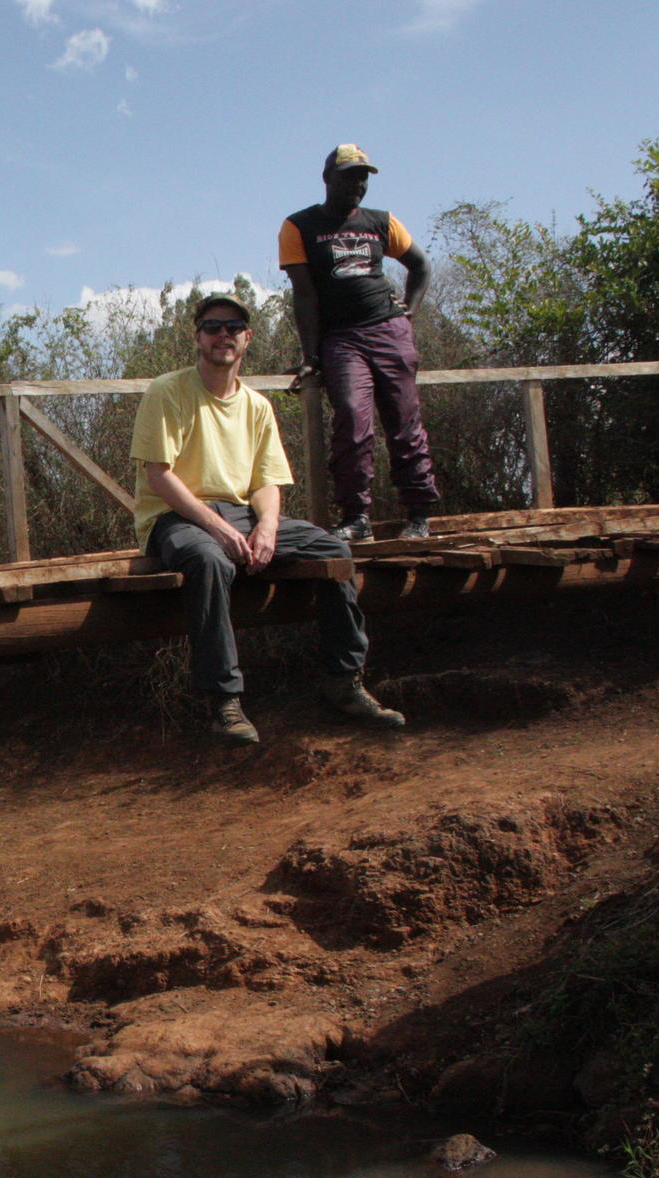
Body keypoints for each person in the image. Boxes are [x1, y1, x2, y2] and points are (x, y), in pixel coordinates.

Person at [131, 292, 404, 744]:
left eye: (234, 327)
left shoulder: (257, 405)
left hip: (242, 512)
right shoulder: (169, 390)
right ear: (197, 336)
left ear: (247, 338)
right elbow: (159, 476)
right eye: (213, 326)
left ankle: (343, 680)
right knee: (210, 561)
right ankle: (224, 702)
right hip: (175, 517)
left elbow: (267, 483)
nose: (224, 334)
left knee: (333, 549)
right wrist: (216, 528)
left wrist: (268, 527)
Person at [280, 143, 441, 543]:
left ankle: (418, 515)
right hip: (343, 338)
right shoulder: (299, 226)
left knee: (404, 422)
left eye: (362, 177)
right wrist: (310, 356)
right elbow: (304, 294)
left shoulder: (381, 222)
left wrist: (410, 310)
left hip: (388, 329)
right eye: (348, 176)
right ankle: (356, 516)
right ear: (327, 178)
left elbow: (420, 264)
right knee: (352, 420)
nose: (357, 184)